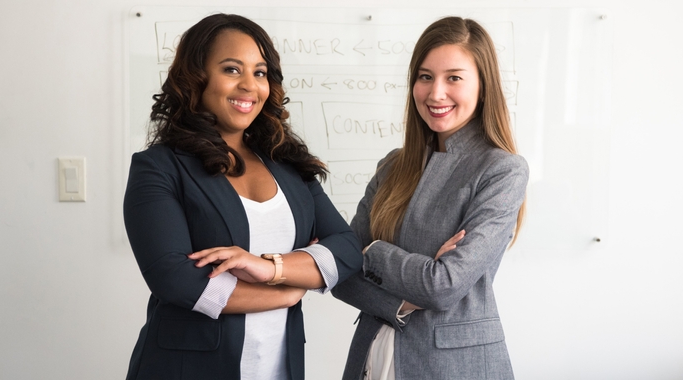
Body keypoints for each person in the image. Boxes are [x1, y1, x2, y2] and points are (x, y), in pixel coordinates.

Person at [123, 13, 362, 380]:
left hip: (279, 368)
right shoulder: (159, 168)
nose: (249, 85)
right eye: (232, 69)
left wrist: (271, 268)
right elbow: (176, 279)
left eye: (260, 72)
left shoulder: (288, 166)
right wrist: (286, 292)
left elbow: (346, 248)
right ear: (197, 77)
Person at [331, 16, 528, 380]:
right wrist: (402, 302)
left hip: (453, 367)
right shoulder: (392, 166)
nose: (436, 93)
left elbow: (443, 286)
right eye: (425, 77)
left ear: (483, 87)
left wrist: (371, 251)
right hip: (371, 357)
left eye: (454, 77)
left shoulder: (502, 170)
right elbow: (341, 274)